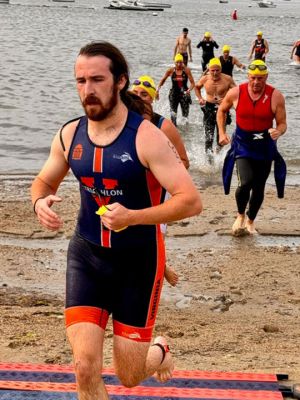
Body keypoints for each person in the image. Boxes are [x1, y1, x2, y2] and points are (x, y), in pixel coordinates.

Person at [31, 41, 202, 399]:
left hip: (138, 262)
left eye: (97, 79)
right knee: (84, 367)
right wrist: (39, 201)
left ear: (120, 81)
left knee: (128, 376)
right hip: (86, 257)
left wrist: (133, 217)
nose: (87, 90)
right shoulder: (69, 135)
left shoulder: (147, 138)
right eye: (80, 81)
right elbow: (45, 180)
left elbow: (191, 202)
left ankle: (160, 351)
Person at [132, 74, 191, 286]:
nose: (139, 97)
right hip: (129, 186)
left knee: (155, 235)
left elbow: (184, 161)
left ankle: (159, 267)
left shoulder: (162, 126)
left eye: (144, 95)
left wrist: (160, 172)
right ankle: (156, 266)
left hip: (157, 190)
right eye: (135, 94)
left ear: (152, 98)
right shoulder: (121, 121)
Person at [217, 60, 287, 236]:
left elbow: (282, 123)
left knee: (259, 187)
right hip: (243, 145)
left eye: (260, 79)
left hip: (264, 147)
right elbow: (221, 111)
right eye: (253, 78)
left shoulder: (276, 96)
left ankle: (250, 221)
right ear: (248, 76)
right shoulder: (235, 93)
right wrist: (221, 132)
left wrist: (278, 131)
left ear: (266, 77)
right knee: (245, 182)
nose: (256, 82)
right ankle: (240, 215)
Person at [194, 57, 235, 158]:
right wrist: (200, 98)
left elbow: (237, 92)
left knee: (221, 138)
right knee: (209, 137)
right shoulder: (205, 78)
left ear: (221, 69)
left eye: (217, 70)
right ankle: (209, 161)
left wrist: (226, 99)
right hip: (209, 108)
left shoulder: (227, 79)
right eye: (213, 70)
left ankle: (217, 153)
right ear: (209, 70)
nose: (215, 73)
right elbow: (196, 87)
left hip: (223, 108)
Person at [157, 53, 195, 126]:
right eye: (177, 62)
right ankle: (174, 130)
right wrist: (157, 90)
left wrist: (188, 90)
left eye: (180, 62)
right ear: (174, 62)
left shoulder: (187, 70)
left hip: (184, 94)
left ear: (183, 62)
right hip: (174, 94)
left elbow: (193, 83)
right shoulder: (170, 71)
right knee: (173, 115)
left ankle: (185, 132)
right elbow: (162, 81)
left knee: (185, 116)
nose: (179, 64)